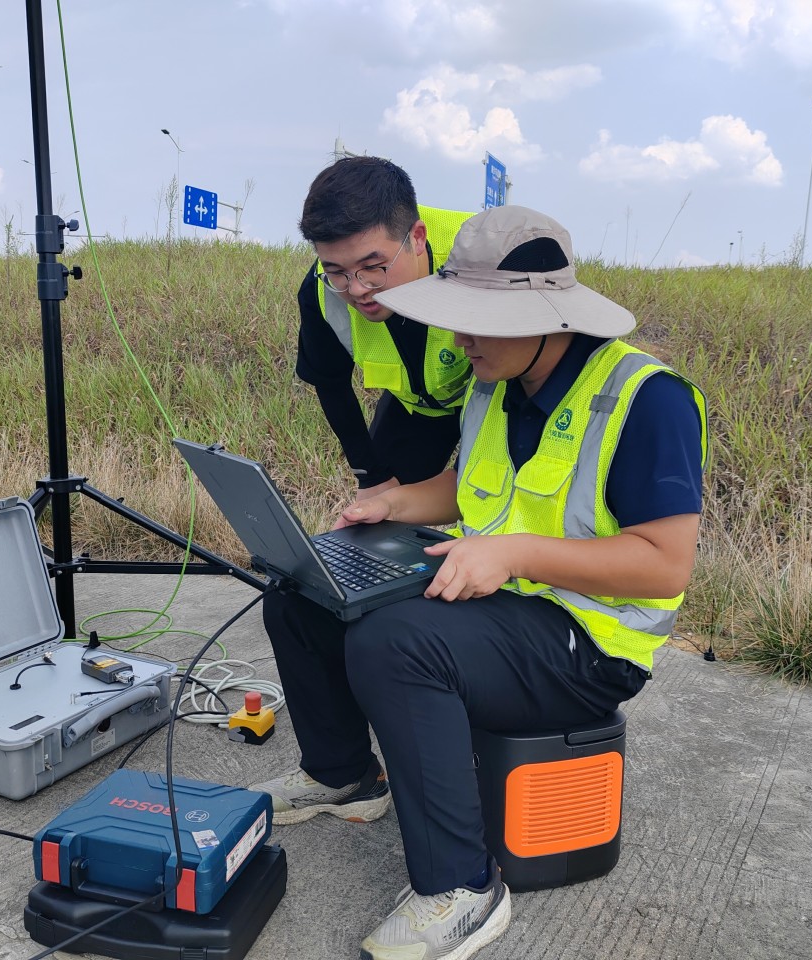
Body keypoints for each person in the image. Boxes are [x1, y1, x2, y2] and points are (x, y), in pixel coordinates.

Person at [253, 205, 707, 960]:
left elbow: (665, 563)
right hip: (500, 597)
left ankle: (462, 891)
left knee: (394, 645)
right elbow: (467, 487)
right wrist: (393, 503)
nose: (459, 339)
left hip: (587, 642)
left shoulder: (645, 398)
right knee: (304, 590)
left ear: (545, 314)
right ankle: (347, 779)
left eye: (477, 322)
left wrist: (515, 553)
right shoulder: (499, 378)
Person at [296, 156, 475, 499]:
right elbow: (330, 383)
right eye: (337, 271)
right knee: (379, 514)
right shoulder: (321, 291)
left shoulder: (484, 256)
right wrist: (370, 476)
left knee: (492, 510)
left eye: (373, 267)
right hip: (417, 410)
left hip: (497, 400)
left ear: (418, 237)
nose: (357, 288)